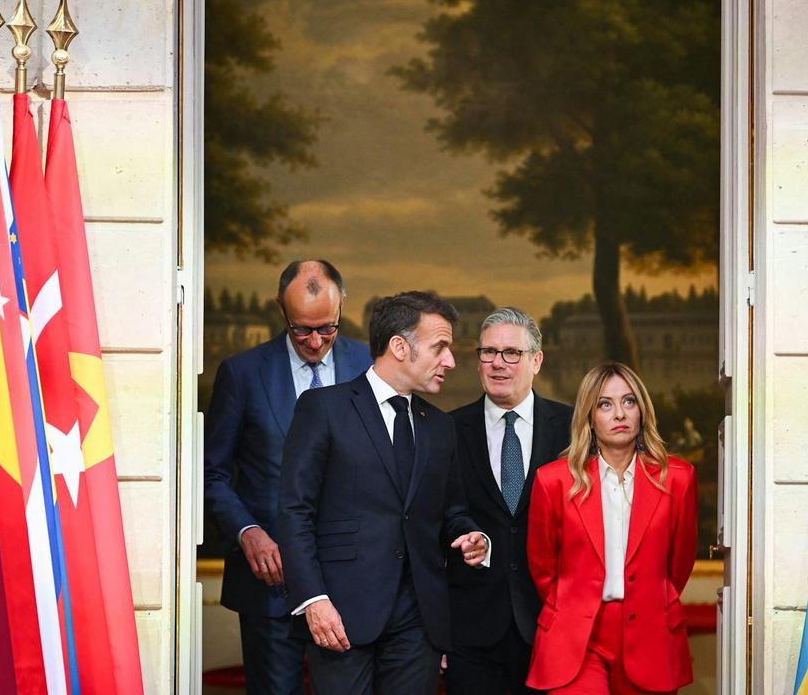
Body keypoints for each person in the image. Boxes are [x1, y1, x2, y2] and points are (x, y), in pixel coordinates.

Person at [278, 290, 490, 695]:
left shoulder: (440, 427)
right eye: (440, 347)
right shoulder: (323, 408)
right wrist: (313, 600)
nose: (451, 361)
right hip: (340, 614)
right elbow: (294, 511)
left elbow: (452, 512)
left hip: (419, 620)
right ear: (398, 347)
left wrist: (471, 536)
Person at [204, 259, 372, 694]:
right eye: (302, 330)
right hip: (269, 583)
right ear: (281, 309)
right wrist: (246, 530)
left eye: (327, 328)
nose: (315, 342)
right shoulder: (242, 374)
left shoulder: (369, 365)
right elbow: (213, 472)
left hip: (352, 582)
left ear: (341, 308)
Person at [526, 362, 697, 694]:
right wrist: (573, 602)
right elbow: (543, 567)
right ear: (590, 417)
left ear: (642, 411)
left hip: (650, 634)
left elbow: (679, 564)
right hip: (576, 638)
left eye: (629, 401)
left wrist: (651, 596)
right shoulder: (554, 481)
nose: (619, 413)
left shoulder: (677, 478)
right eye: (606, 404)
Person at [446, 307, 573, 695]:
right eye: (488, 352)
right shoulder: (446, 430)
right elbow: (434, 518)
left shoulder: (573, 428)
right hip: (471, 631)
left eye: (511, 353)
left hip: (553, 626)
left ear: (536, 360)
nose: (498, 363)